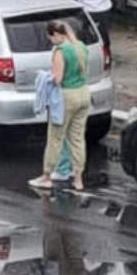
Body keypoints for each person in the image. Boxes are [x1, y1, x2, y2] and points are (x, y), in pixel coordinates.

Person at [28, 21, 91, 192]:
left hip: (66, 96)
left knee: (55, 138)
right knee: (77, 139)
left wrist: (44, 77)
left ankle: (47, 176)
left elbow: (57, 78)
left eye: (50, 37)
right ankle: (78, 178)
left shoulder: (60, 51)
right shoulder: (80, 46)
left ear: (56, 34)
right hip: (84, 94)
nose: (50, 41)